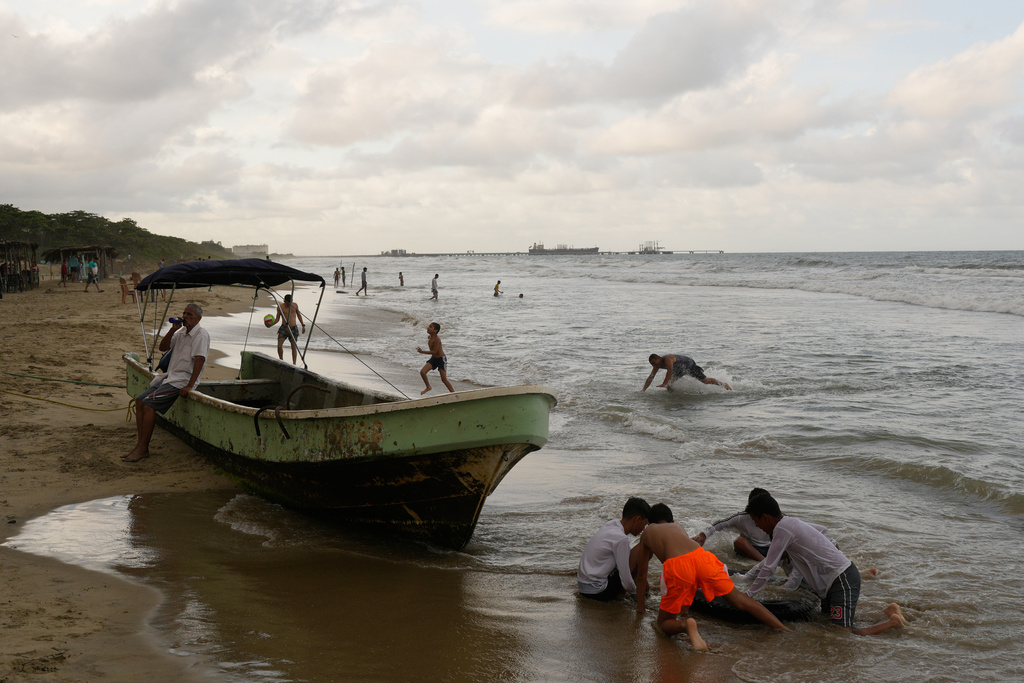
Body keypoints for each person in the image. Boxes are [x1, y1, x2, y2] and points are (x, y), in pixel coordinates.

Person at [744, 492, 907, 636]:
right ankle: (887, 611)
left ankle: (893, 622)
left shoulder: (782, 529)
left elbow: (769, 567)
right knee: (827, 622)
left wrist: (748, 596)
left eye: (756, 521)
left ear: (765, 517)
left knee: (840, 635)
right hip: (833, 583)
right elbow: (821, 529)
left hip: (842, 579)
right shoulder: (790, 522)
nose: (757, 526)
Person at [635, 503, 789, 649]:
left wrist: (640, 610)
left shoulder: (648, 533)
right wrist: (684, 609)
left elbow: (641, 575)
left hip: (678, 565)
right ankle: (783, 629)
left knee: (663, 623)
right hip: (703, 558)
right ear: (671, 520)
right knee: (741, 600)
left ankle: (685, 625)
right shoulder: (677, 527)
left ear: (649, 523)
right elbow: (691, 572)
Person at [124, 303, 209, 463]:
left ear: (198, 319)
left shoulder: (201, 335)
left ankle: (143, 448)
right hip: (170, 377)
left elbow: (200, 359)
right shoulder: (181, 332)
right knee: (140, 400)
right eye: (184, 313)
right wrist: (172, 329)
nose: (185, 317)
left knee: (149, 405)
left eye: (190, 315)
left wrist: (190, 385)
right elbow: (163, 347)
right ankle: (139, 445)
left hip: (181, 381)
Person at [578, 497, 651, 602]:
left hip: (583, 587)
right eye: (644, 524)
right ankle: (620, 596)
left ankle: (639, 586)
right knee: (642, 547)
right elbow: (626, 581)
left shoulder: (611, 525)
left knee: (633, 557)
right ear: (637, 519)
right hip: (598, 592)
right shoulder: (621, 539)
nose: (643, 529)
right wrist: (638, 595)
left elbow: (628, 557)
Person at [692, 488, 773, 561]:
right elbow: (721, 524)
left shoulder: (776, 518)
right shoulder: (742, 517)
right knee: (739, 542)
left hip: (771, 548)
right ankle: (764, 561)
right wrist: (703, 535)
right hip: (751, 549)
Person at [642, 354, 731, 391]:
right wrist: (643, 390)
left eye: (654, 363)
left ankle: (724, 384)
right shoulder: (657, 365)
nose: (653, 365)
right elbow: (651, 376)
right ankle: (673, 400)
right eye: (651, 364)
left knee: (704, 381)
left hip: (689, 364)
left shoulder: (667, 359)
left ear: (658, 358)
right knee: (670, 385)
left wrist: (664, 383)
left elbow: (669, 371)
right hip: (679, 368)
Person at [416, 322, 455, 394]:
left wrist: (422, 351)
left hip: (441, 359)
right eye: (428, 326)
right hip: (434, 359)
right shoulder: (429, 337)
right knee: (423, 372)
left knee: (443, 379)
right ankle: (428, 387)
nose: (428, 328)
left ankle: (454, 394)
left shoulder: (437, 339)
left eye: (430, 327)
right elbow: (433, 353)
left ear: (435, 330)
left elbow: (434, 351)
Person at [273, 294, 306, 364]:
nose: (289, 304)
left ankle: (294, 363)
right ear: (284, 301)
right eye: (287, 303)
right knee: (279, 346)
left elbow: (299, 315)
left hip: (293, 328)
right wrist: (271, 324)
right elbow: (277, 319)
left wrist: (303, 325)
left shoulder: (295, 305)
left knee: (293, 347)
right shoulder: (280, 307)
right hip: (284, 328)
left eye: (290, 302)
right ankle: (281, 360)